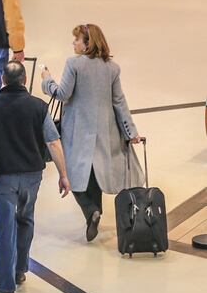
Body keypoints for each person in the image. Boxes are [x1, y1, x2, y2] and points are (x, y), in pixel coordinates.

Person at [0, 61, 70, 293]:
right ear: (24, 81)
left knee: (5, 229)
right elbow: (53, 142)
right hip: (32, 177)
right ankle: (20, 269)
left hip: (2, 179)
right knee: (26, 220)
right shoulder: (38, 106)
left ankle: (5, 287)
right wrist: (63, 175)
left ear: (2, 80)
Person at [42, 24, 144, 242]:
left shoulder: (74, 64)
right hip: (105, 132)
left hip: (77, 131)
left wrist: (46, 80)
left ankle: (90, 211)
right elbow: (119, 103)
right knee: (95, 174)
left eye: (77, 40)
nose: (73, 44)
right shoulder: (112, 68)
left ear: (87, 43)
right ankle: (94, 216)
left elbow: (62, 94)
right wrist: (130, 132)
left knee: (69, 172)